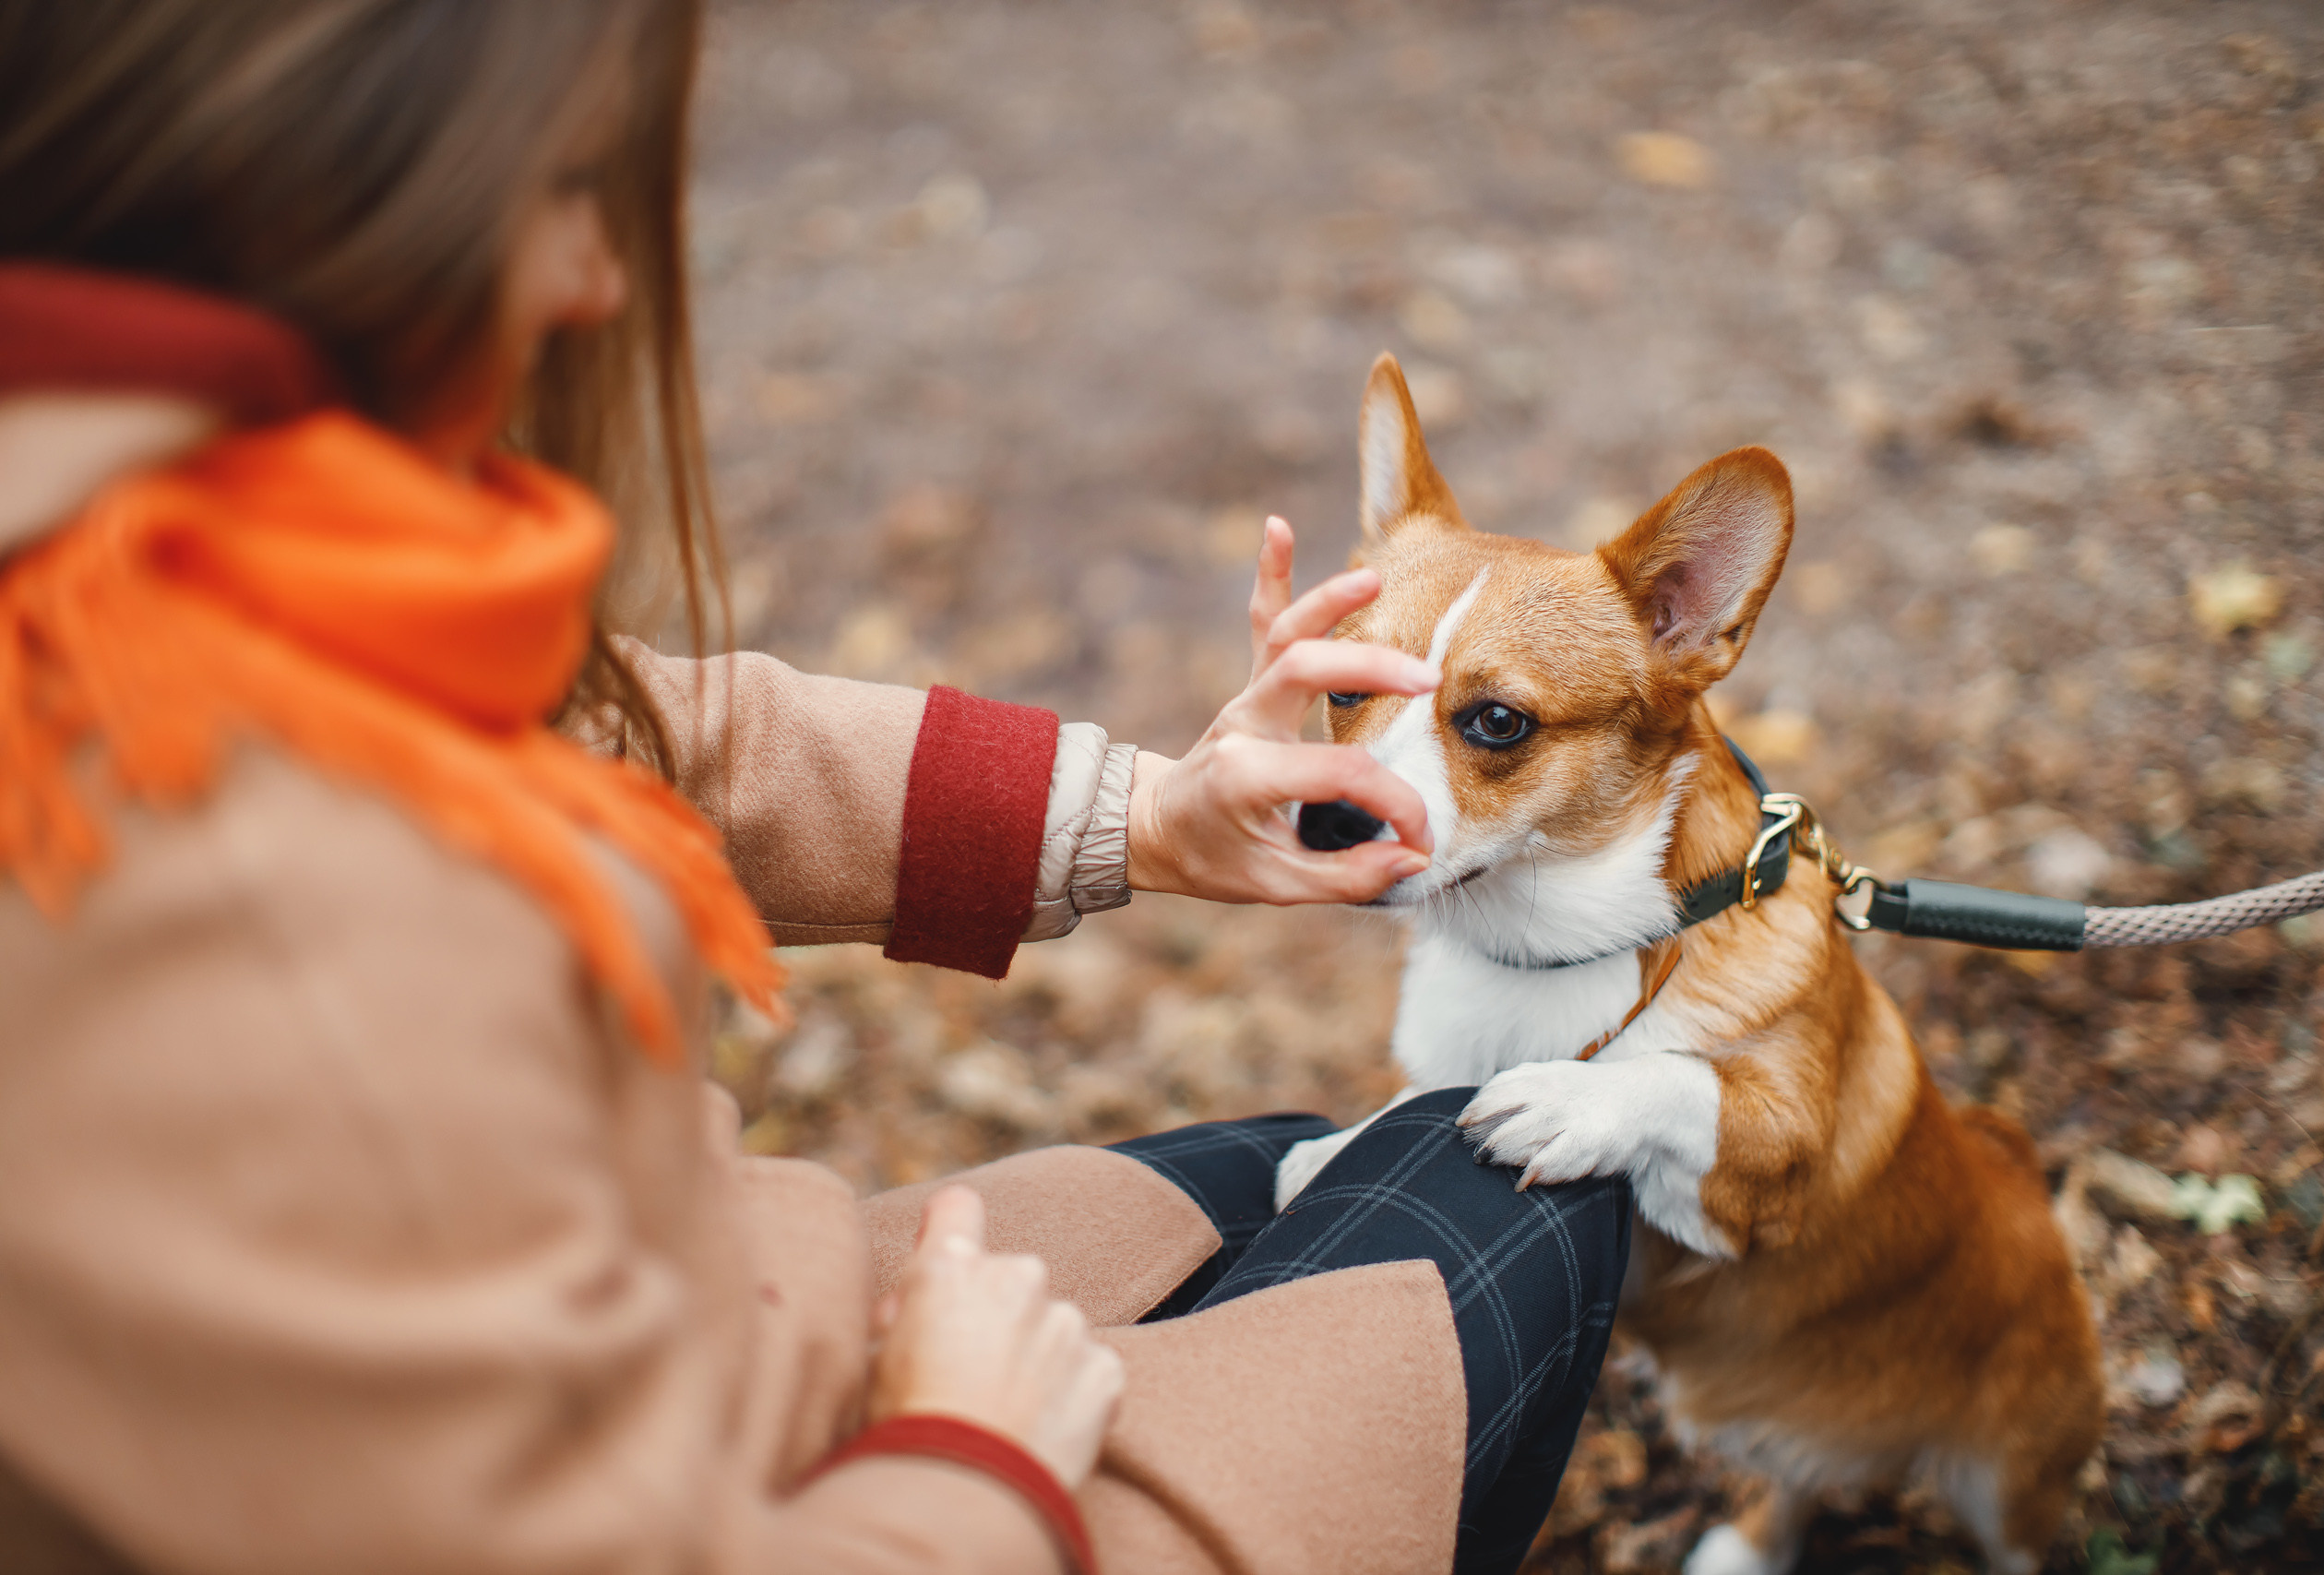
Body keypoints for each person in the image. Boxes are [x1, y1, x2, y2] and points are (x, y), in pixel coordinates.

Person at [0, 5, 1630, 1573]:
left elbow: (635, 735)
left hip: (707, 1324)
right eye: (562, 187)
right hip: (827, 1494)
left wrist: (1141, 815)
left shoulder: (168, 559)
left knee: (1310, 1157)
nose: (599, 275)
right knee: (1526, 1198)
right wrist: (966, 1459)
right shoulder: (227, 911)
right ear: (294, 192)